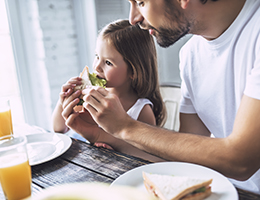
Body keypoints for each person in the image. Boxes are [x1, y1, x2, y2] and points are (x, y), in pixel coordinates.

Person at [62, 0, 260, 194]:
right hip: (219, 189)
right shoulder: (190, 55)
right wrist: (100, 135)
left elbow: (241, 161)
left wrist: (125, 127)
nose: (133, 19)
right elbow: (184, 156)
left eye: (140, 2)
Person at [52, 19, 166, 162]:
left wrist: (113, 148)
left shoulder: (142, 110)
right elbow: (59, 129)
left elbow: (148, 156)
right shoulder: (90, 95)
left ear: (134, 71)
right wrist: (63, 101)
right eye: (97, 56)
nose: (97, 67)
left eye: (108, 62)